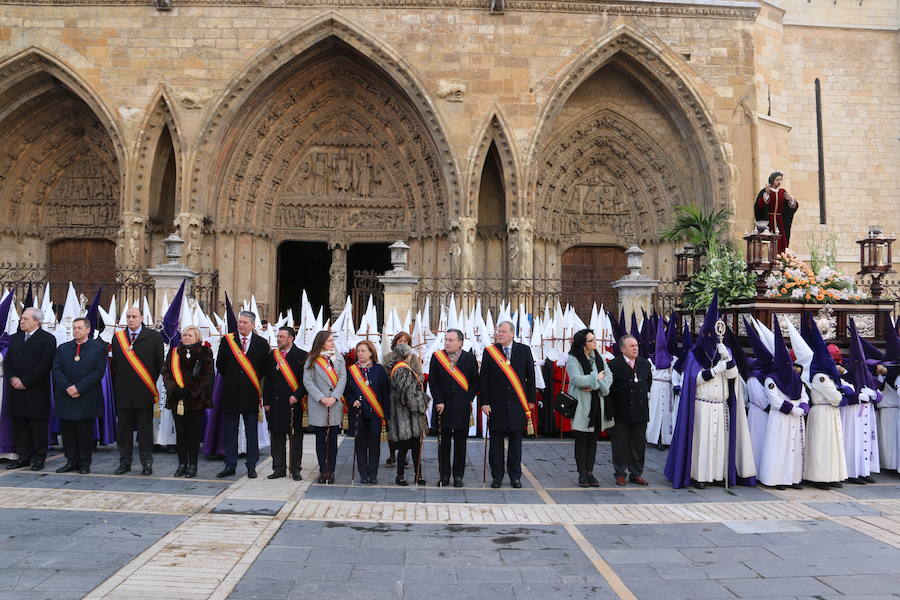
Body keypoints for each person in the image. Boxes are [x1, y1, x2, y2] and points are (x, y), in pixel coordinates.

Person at [664, 293, 757, 489]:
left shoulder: (726, 352)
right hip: (702, 406)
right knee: (703, 443)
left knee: (719, 443)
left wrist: (726, 358)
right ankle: (700, 476)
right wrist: (715, 370)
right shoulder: (695, 354)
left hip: (720, 406)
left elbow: (733, 377)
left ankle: (717, 474)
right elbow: (693, 379)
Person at [480, 320, 536, 489]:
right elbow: (484, 379)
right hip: (496, 405)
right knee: (496, 444)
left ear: (512, 333)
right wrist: (484, 402)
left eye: (503, 331)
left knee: (515, 444)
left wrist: (531, 400)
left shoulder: (524, 350)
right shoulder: (490, 352)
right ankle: (497, 476)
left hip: (518, 404)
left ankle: (515, 476)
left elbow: (531, 376)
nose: (500, 334)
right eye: (498, 331)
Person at [111, 307, 165, 476]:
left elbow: (159, 364)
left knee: (145, 430)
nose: (131, 319)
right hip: (124, 392)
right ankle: (124, 462)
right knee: (123, 430)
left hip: (144, 391)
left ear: (141, 317)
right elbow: (115, 366)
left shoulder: (154, 337)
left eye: (134, 316)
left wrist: (147, 382)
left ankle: (146, 462)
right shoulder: (118, 337)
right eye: (128, 317)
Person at [216, 311, 269, 479]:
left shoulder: (261, 343)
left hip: (250, 394)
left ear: (253, 324)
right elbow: (221, 365)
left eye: (245, 322)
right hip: (230, 393)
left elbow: (263, 369)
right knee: (230, 432)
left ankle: (251, 465)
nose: (241, 325)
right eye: (240, 322)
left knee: (251, 432)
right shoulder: (228, 340)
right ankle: (230, 464)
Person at [758, 319, 809, 490]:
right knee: (780, 448)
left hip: (796, 417)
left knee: (795, 448)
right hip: (781, 417)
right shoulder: (771, 379)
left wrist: (804, 406)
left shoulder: (796, 378)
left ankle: (794, 478)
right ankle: (777, 478)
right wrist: (793, 409)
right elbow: (774, 400)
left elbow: (803, 394)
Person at [52, 317, 107, 474]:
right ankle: (71, 461)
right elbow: (56, 369)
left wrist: (79, 388)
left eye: (79, 328)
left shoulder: (98, 348)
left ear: (88, 330)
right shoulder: (63, 348)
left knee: (84, 433)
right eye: (74, 328)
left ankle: (84, 463)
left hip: (86, 397)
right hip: (66, 396)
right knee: (68, 432)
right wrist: (68, 387)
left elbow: (98, 372)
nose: (76, 330)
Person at [5, 308, 57, 471]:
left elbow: (45, 364)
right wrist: (13, 378)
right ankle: (23, 456)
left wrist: (25, 381)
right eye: (21, 319)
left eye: (26, 319)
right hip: (16, 389)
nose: (22, 321)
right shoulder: (14, 338)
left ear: (37, 321)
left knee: (37, 425)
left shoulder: (47, 339)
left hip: (36, 390)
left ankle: (38, 457)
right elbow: (8, 363)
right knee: (20, 424)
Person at [429, 328, 479, 487]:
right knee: (443, 444)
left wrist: (468, 399)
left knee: (460, 443)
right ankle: (444, 475)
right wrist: (438, 400)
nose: (447, 343)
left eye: (451, 340)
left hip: (461, 408)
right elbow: (433, 381)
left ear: (460, 343)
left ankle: (458, 476)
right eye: (446, 340)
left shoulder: (469, 358)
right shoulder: (437, 357)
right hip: (442, 407)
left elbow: (475, 382)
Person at [162, 325, 213, 478]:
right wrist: (174, 389)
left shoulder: (205, 352)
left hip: (195, 401)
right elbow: (166, 372)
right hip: (176, 400)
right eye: (184, 335)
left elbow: (207, 375)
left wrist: (190, 390)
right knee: (181, 434)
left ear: (197, 337)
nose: (186, 337)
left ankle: (193, 465)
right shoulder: (174, 352)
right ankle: (181, 464)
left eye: (190, 335)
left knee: (193, 435)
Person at [565, 328, 612, 487]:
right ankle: (581, 473)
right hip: (582, 405)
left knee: (593, 439)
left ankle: (590, 472)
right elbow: (577, 379)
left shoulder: (599, 357)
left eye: (594, 339)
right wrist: (596, 378)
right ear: (583, 344)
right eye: (591, 340)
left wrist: (594, 385)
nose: (595, 342)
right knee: (581, 439)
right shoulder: (573, 359)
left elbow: (609, 376)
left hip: (597, 403)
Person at [606, 334, 651, 486]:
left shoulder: (644, 364)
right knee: (620, 444)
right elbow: (609, 390)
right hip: (621, 411)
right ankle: (620, 472)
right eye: (631, 346)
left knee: (638, 444)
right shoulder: (613, 365)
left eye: (636, 345)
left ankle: (636, 473)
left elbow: (648, 384)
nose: (635, 348)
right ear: (622, 348)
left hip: (640, 411)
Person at [264, 326, 308, 481]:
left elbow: (306, 381)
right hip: (276, 403)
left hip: (293, 403)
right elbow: (268, 380)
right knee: (276, 436)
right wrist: (267, 401)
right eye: (278, 336)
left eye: (282, 336)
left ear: (291, 338)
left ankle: (295, 468)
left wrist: (297, 395)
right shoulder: (273, 355)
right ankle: (278, 468)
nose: (278, 339)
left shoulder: (302, 355)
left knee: (295, 437)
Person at [303, 330, 346, 484]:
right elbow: (308, 381)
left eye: (333, 340)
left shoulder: (339, 357)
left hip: (334, 404)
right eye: (329, 340)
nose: (332, 343)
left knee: (332, 439)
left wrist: (334, 397)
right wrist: (322, 398)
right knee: (321, 439)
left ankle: (331, 471)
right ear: (321, 342)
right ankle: (322, 470)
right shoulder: (312, 359)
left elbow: (342, 378)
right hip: (319, 404)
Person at [347, 340, 390, 484]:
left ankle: (373, 473)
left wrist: (386, 415)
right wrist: (353, 400)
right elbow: (347, 390)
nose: (360, 354)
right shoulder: (352, 370)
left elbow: (385, 393)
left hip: (375, 413)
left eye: (363, 351)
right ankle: (363, 474)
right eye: (358, 351)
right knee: (360, 444)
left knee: (374, 444)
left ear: (371, 352)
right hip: (358, 412)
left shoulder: (379, 369)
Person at [386, 342, 428, 486]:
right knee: (409, 447)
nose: (411, 356)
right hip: (407, 416)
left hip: (404, 415)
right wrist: (422, 401)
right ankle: (404, 476)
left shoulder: (398, 368)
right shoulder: (402, 370)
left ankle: (414, 475)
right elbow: (407, 394)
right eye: (409, 354)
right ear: (405, 355)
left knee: (411, 447)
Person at [384, 331, 418, 467]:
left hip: (408, 398)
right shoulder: (388, 357)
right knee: (392, 428)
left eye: (405, 341)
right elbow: (384, 376)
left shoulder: (413, 358)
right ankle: (392, 455)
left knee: (407, 428)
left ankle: (403, 455)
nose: (402, 343)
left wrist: (413, 377)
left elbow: (420, 376)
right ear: (395, 343)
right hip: (392, 396)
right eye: (400, 341)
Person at [646, 317, 675, 450]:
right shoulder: (651, 360)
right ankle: (654, 437)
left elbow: (675, 374)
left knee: (667, 413)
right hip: (656, 387)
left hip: (667, 387)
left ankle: (666, 438)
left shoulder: (673, 359)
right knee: (656, 411)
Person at [754, 171, 798, 253]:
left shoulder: (782, 192)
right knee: (768, 241)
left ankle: (781, 259)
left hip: (780, 222)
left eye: (781, 180)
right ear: (772, 180)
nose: (779, 182)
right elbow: (758, 206)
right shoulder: (765, 191)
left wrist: (791, 199)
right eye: (777, 180)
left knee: (781, 241)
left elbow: (791, 207)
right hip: (768, 221)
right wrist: (766, 194)